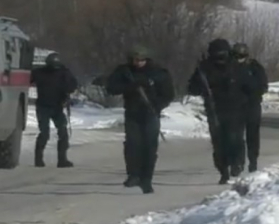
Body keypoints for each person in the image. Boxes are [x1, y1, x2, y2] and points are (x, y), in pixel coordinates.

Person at [105, 45, 174, 194]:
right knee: (132, 145)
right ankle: (133, 175)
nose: (138, 63)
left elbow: (168, 94)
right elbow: (111, 88)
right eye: (135, 60)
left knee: (149, 147)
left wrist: (157, 105)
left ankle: (146, 179)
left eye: (141, 60)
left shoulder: (158, 72)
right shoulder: (124, 71)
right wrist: (130, 86)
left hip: (151, 112)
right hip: (132, 112)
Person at [187, 38, 253, 184]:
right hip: (214, 109)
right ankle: (223, 170)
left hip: (235, 109)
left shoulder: (236, 67)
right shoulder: (204, 68)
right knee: (218, 142)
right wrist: (201, 88)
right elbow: (192, 88)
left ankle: (237, 163)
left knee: (234, 138)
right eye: (216, 55)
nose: (220, 59)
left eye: (222, 55)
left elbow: (249, 87)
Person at [31, 52, 79, 168]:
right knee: (45, 133)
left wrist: (67, 91)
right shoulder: (40, 72)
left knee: (62, 133)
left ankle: (62, 160)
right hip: (44, 106)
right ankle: (39, 160)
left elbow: (73, 85)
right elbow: (28, 79)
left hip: (57, 107)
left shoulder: (64, 73)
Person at [231, 42, 269, 172]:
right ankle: (237, 163)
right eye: (236, 56)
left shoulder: (255, 67)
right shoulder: (229, 68)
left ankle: (253, 160)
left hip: (252, 106)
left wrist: (251, 87)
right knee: (236, 136)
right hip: (235, 107)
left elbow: (263, 86)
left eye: (241, 56)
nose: (238, 58)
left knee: (252, 136)